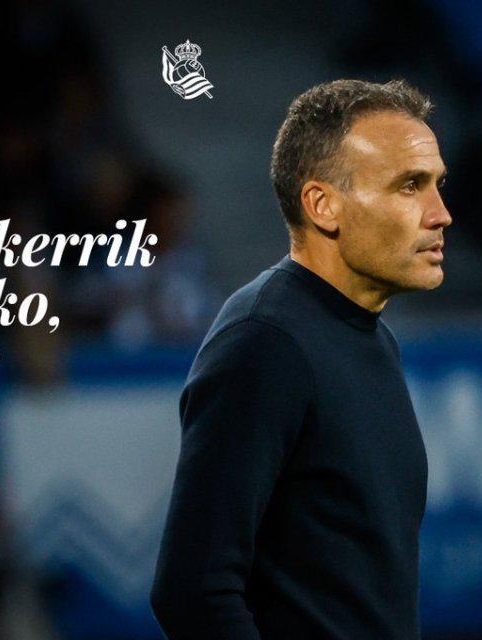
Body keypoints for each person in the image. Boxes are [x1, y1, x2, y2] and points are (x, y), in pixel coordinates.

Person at [150, 79, 452, 640]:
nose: (441, 214)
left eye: (437, 184)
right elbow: (193, 591)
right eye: (410, 186)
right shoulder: (264, 342)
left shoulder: (371, 336)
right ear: (322, 205)